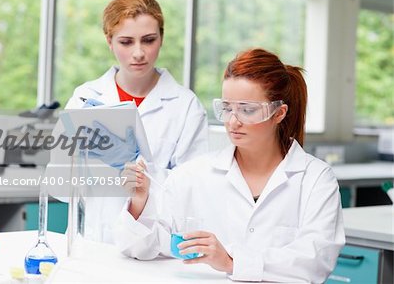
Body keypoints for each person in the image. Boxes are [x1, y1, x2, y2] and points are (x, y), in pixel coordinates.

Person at [114, 48, 345, 283]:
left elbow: (315, 261)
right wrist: (139, 202)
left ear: (279, 113)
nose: (233, 122)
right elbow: (141, 248)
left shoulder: (315, 179)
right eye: (226, 108)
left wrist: (232, 262)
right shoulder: (192, 175)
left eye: (247, 110)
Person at [56, 0, 208, 242]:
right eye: (126, 42)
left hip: (151, 244)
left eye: (148, 40)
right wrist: (90, 162)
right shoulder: (85, 98)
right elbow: (61, 188)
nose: (138, 53)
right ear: (109, 41)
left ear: (162, 37)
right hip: (91, 241)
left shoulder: (185, 106)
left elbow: (193, 193)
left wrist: (144, 174)